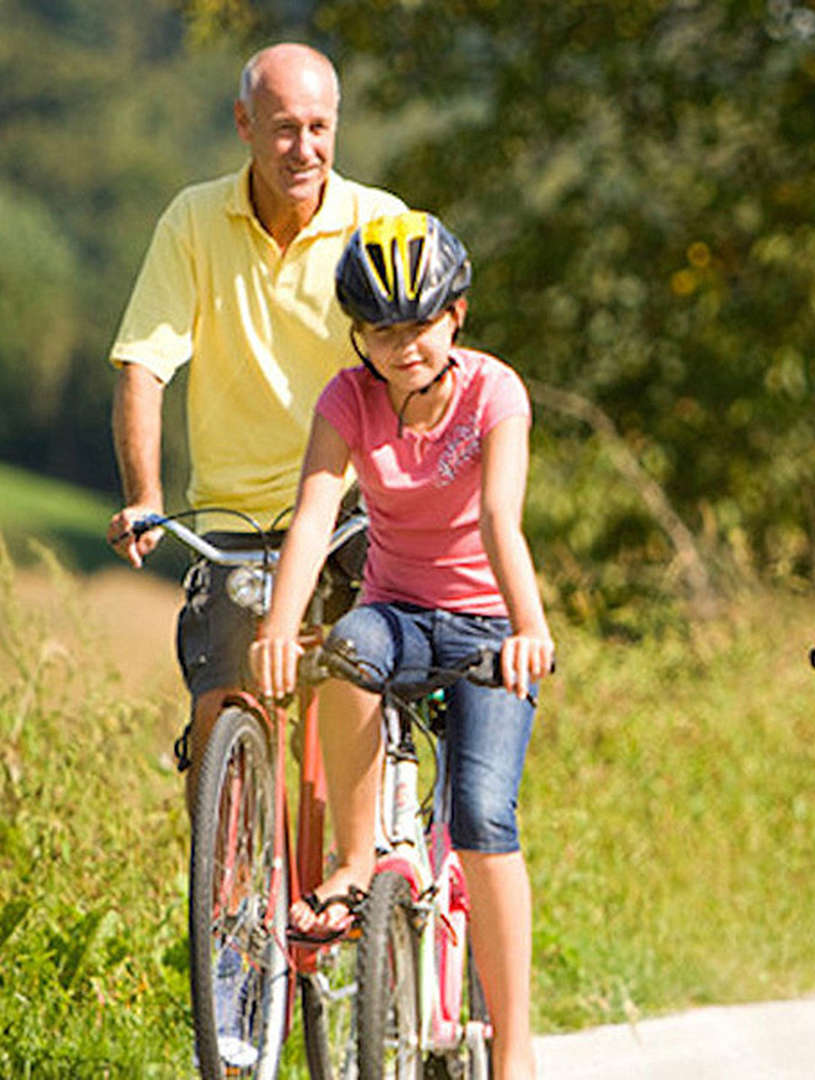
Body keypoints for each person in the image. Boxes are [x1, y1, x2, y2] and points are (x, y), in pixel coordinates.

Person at [249, 211, 554, 1080]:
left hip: (490, 629)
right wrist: (279, 625)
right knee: (345, 646)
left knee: (483, 817)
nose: (403, 346)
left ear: (455, 315)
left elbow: (500, 520)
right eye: (383, 330)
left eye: (419, 325)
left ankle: (517, 1046)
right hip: (397, 611)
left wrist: (528, 629)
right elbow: (314, 513)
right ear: (360, 334)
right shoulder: (348, 398)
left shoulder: (498, 392)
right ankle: (356, 861)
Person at [103, 42, 406, 798]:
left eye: (318, 127)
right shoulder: (195, 221)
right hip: (235, 514)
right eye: (281, 128)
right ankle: (231, 893)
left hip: (353, 507)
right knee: (219, 710)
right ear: (243, 123)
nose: (303, 149)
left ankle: (360, 873)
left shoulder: (380, 222)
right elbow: (144, 365)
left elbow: (417, 375)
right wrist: (144, 496)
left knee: (357, 691)